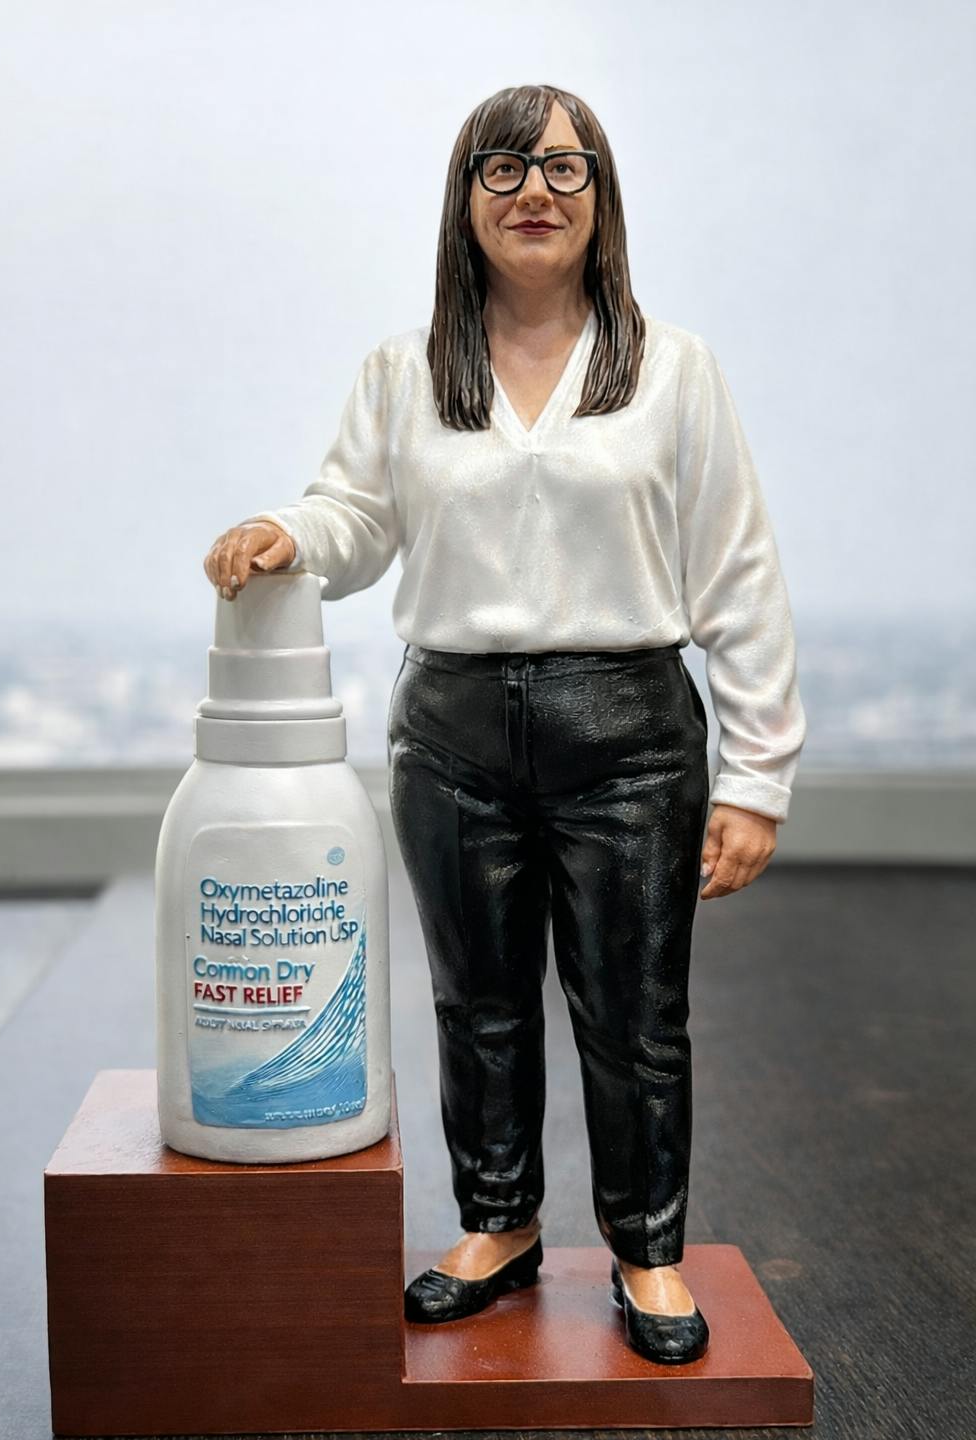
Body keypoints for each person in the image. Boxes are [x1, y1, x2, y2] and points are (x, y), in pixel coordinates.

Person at [203, 84, 807, 1366]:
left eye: (563, 168)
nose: (534, 190)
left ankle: (647, 1250)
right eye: (503, 166)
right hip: (454, 734)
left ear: (601, 197)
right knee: (475, 1004)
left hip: (628, 734)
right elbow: (355, 514)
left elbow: (738, 572)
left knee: (634, 1016)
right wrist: (287, 533)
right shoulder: (407, 370)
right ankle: (497, 1226)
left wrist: (757, 776)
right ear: (464, 196)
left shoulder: (673, 370)